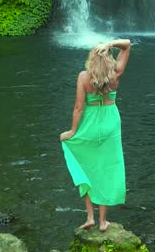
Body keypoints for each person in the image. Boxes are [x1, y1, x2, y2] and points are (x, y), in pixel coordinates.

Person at [60, 38, 131, 232]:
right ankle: (102, 221)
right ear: (108, 58)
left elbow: (78, 107)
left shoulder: (84, 76)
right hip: (110, 123)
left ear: (92, 57)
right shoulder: (115, 73)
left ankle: (90, 216)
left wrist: (73, 132)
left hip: (90, 122)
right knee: (106, 169)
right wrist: (110, 44)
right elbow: (127, 44)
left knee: (85, 168)